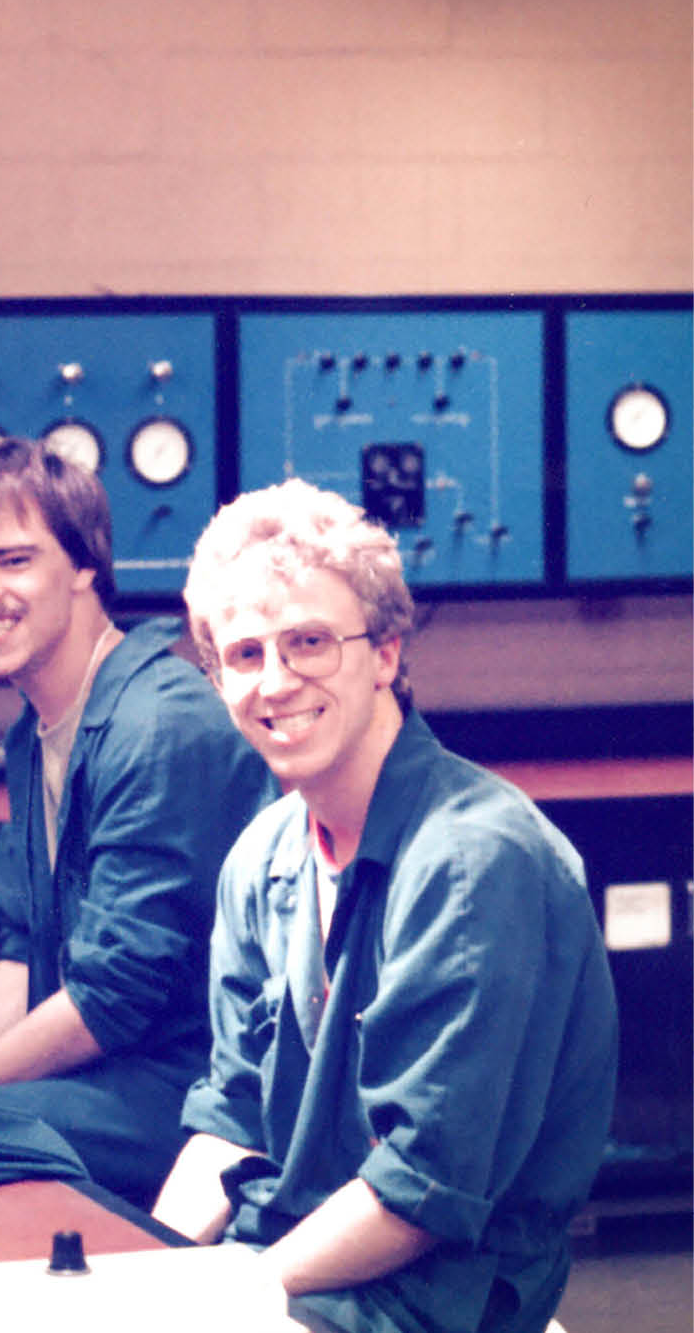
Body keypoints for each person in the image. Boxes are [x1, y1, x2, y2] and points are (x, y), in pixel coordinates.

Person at [153, 479, 617, 1333]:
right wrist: (145, 1281)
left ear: (387, 654)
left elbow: (418, 1196)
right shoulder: (261, 857)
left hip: (441, 1292)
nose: (276, 682)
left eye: (309, 643)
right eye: (245, 656)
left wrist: (223, 1300)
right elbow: (231, 1117)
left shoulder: (475, 863)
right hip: (292, 1258)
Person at [0, 438, 270, 1206]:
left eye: (13, 561)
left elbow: (109, 1001)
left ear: (86, 566)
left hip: (196, 1087)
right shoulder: (36, 730)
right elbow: (26, 957)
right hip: (111, 1064)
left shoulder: (159, 726)